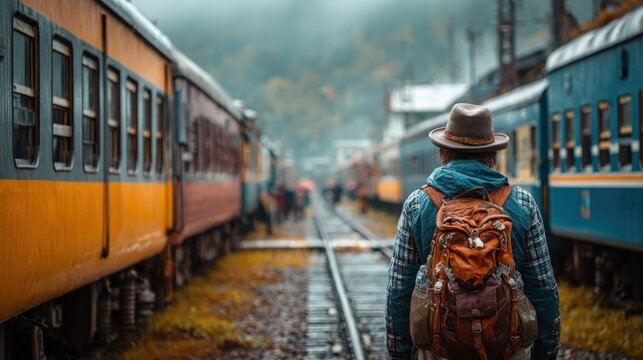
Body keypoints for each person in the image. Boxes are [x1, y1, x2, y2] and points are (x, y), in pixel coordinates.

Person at [385, 104, 560, 360]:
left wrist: (399, 353)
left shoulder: (417, 203)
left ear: (443, 152)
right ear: (492, 154)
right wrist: (546, 352)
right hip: (507, 347)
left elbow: (399, 289)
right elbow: (543, 287)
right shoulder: (522, 202)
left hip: (439, 348)